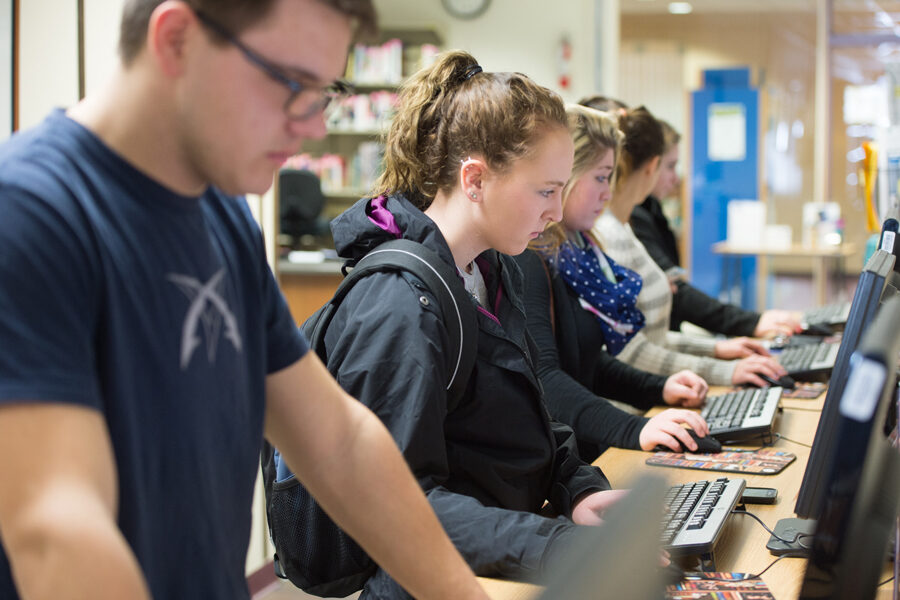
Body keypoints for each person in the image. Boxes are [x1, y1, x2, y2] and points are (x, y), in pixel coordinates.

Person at [0, 2, 490, 599]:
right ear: (177, 40)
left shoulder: (223, 217)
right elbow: (56, 529)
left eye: (325, 91)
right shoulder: (29, 215)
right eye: (291, 85)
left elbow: (338, 441)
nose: (312, 125)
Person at [294, 50, 627, 598]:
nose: (554, 210)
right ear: (475, 179)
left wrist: (579, 487)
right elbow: (396, 507)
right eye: (545, 190)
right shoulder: (398, 305)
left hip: (495, 569)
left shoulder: (490, 270)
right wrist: (555, 546)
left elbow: (529, 422)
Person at [516, 104, 711, 460]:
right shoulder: (531, 256)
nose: (608, 193)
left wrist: (660, 388)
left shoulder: (579, 247)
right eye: (602, 177)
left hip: (582, 453)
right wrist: (634, 429)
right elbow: (545, 377)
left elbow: (589, 361)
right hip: (562, 462)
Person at [590, 106, 787, 388]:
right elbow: (629, 350)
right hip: (642, 398)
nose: (674, 177)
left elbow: (648, 336)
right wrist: (721, 369)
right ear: (651, 167)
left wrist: (716, 350)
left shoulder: (624, 228)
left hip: (656, 387)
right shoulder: (609, 236)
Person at [629, 119, 803, 338]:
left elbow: (674, 289)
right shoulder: (634, 218)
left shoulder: (650, 210)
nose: (675, 178)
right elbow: (677, 295)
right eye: (670, 166)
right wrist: (750, 325)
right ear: (648, 166)